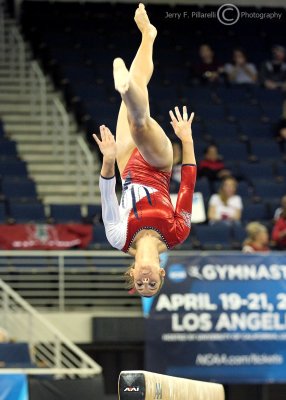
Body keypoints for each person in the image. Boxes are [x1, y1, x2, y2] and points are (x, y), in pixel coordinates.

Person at [93, 4, 197, 297]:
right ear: (162, 273)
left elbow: (107, 196)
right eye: (153, 283)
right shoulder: (177, 233)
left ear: (132, 273)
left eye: (140, 283)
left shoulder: (119, 238)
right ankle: (125, 90)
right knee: (138, 123)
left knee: (139, 86)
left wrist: (109, 159)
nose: (146, 279)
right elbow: (187, 185)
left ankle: (148, 36)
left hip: (125, 166)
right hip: (158, 164)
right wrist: (186, 140)